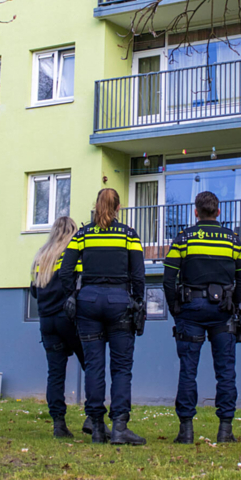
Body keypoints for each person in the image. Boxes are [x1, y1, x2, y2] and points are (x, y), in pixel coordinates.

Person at [59, 188, 147, 445]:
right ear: (118, 208)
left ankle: (97, 426)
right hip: (119, 302)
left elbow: (66, 271)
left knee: (94, 367)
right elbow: (139, 275)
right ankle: (119, 426)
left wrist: (73, 295)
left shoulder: (82, 234)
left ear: (96, 205)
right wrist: (138, 302)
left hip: (88, 302)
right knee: (121, 368)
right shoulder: (129, 235)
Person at [163, 191, 241, 444]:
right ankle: (225, 430)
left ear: (196, 212)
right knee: (225, 371)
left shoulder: (184, 238)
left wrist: (174, 308)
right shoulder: (234, 240)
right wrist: (233, 303)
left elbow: (169, 278)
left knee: (188, 370)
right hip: (223, 310)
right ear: (219, 212)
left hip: (191, 309)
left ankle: (186, 430)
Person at [30, 216, 90, 439]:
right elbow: (80, 283)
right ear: (73, 231)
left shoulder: (41, 256)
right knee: (91, 365)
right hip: (69, 318)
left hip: (46, 322)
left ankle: (58, 424)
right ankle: (93, 417)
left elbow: (34, 291)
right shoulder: (72, 254)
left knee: (55, 374)